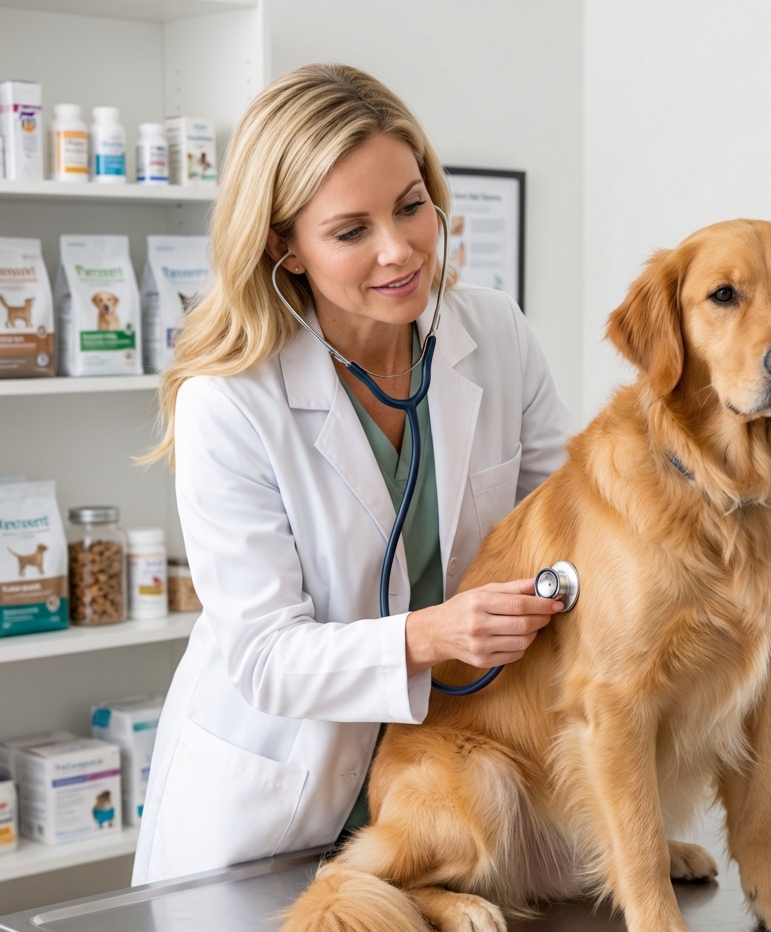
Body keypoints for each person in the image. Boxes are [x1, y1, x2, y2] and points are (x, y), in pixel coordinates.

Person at [132, 64, 573, 885]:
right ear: (282, 245)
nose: (399, 250)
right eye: (350, 231)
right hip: (285, 807)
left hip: (458, 784)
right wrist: (431, 636)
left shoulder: (497, 335)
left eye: (412, 206)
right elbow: (263, 656)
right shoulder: (228, 401)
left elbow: (571, 522)